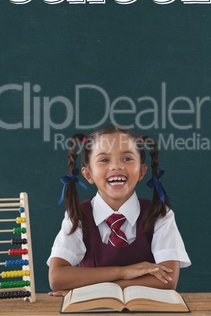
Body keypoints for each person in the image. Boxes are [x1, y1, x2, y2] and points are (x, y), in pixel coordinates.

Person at [47, 125, 190, 295]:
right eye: (104, 160)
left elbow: (168, 281)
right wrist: (124, 272)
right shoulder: (78, 216)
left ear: (142, 171)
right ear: (88, 174)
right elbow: (57, 278)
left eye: (127, 159)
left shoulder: (159, 214)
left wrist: (91, 289)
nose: (116, 166)